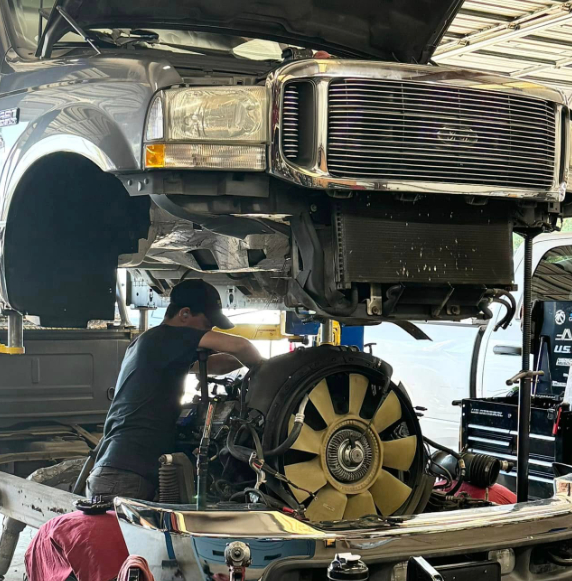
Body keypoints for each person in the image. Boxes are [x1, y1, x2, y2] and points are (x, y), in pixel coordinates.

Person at [86, 279, 263, 501]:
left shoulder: (152, 344)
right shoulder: (167, 335)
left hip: (118, 470)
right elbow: (241, 346)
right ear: (184, 314)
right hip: (126, 475)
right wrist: (268, 371)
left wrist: (255, 364)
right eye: (207, 324)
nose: (209, 331)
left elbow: (219, 364)